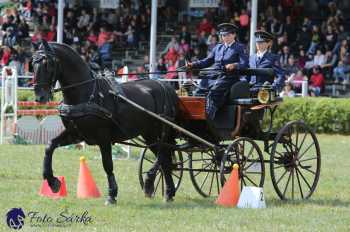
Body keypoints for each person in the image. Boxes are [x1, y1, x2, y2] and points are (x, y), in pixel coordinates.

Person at [186, 23, 249, 120]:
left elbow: (244, 64)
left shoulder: (240, 47)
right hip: (214, 75)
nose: (225, 37)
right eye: (223, 35)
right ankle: (194, 116)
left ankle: (209, 118)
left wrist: (234, 65)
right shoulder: (218, 47)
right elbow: (207, 61)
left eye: (227, 35)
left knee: (213, 92)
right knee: (199, 91)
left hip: (229, 77)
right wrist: (193, 64)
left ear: (234, 35)